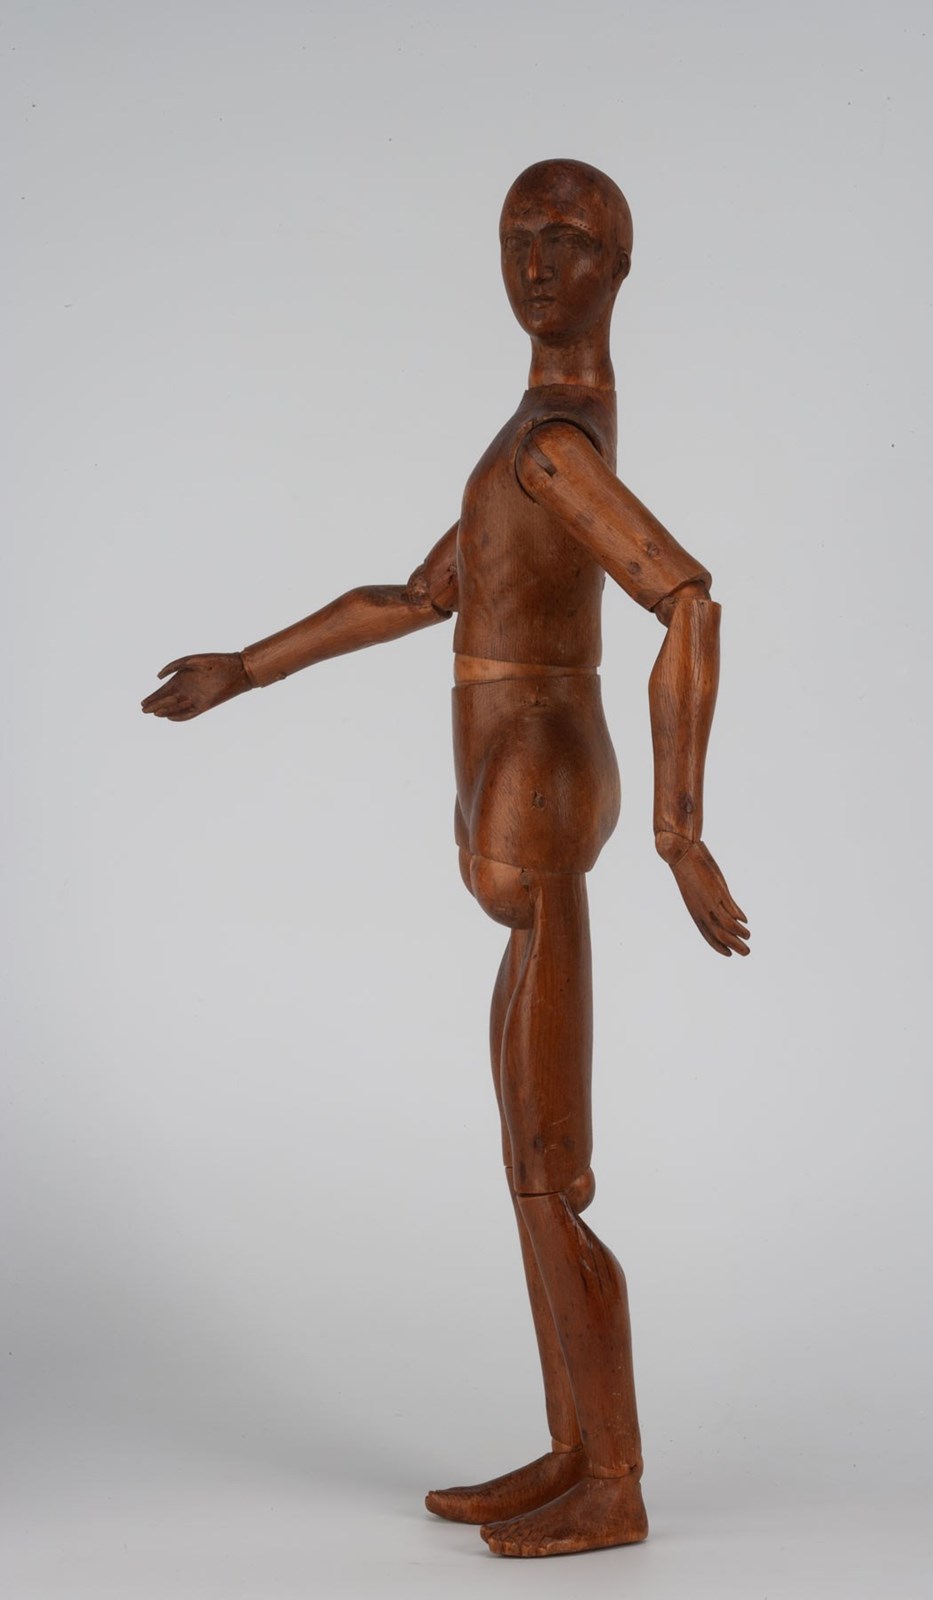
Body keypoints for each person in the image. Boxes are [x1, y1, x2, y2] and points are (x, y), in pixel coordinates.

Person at [142, 158, 748, 1558]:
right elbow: (420, 593)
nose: (537, 260)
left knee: (552, 1166)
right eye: (518, 234)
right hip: (517, 795)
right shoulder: (533, 435)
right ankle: (573, 1450)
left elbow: (688, 600)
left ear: (619, 265)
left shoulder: (554, 445)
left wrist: (681, 836)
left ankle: (613, 1480)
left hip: (541, 795)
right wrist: (247, 669)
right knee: (528, 1166)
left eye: (568, 237)